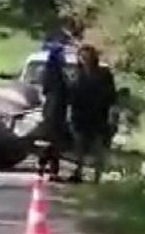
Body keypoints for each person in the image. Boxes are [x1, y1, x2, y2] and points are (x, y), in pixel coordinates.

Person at [67, 43, 117, 183]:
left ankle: (97, 176)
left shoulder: (104, 74)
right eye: (82, 56)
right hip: (80, 116)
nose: (85, 59)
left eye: (87, 56)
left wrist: (111, 114)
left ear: (93, 57)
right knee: (79, 147)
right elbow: (71, 96)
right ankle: (78, 172)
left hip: (99, 115)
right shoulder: (76, 74)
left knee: (98, 147)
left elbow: (112, 95)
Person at [36, 34, 73, 181]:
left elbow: (45, 90)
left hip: (52, 111)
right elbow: (57, 92)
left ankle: (43, 167)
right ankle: (51, 170)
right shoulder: (55, 72)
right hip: (55, 111)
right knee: (54, 143)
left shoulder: (51, 71)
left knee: (50, 142)